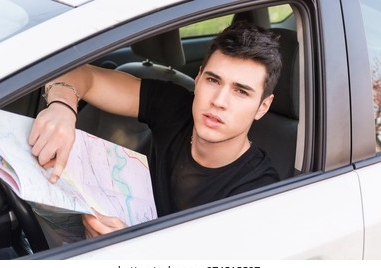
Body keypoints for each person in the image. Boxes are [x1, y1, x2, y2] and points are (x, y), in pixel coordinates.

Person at [29, 21, 282, 239]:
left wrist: (130, 248)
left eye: (241, 91)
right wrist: (62, 106)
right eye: (213, 80)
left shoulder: (258, 191)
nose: (219, 101)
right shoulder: (175, 107)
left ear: (262, 106)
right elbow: (80, 75)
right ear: (198, 79)